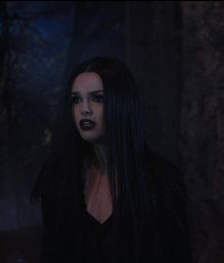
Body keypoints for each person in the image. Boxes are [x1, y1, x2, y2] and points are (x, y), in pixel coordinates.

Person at [33, 56, 192, 263]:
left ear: (122, 103)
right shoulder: (59, 179)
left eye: (97, 98)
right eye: (76, 99)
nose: (84, 109)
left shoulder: (160, 180)